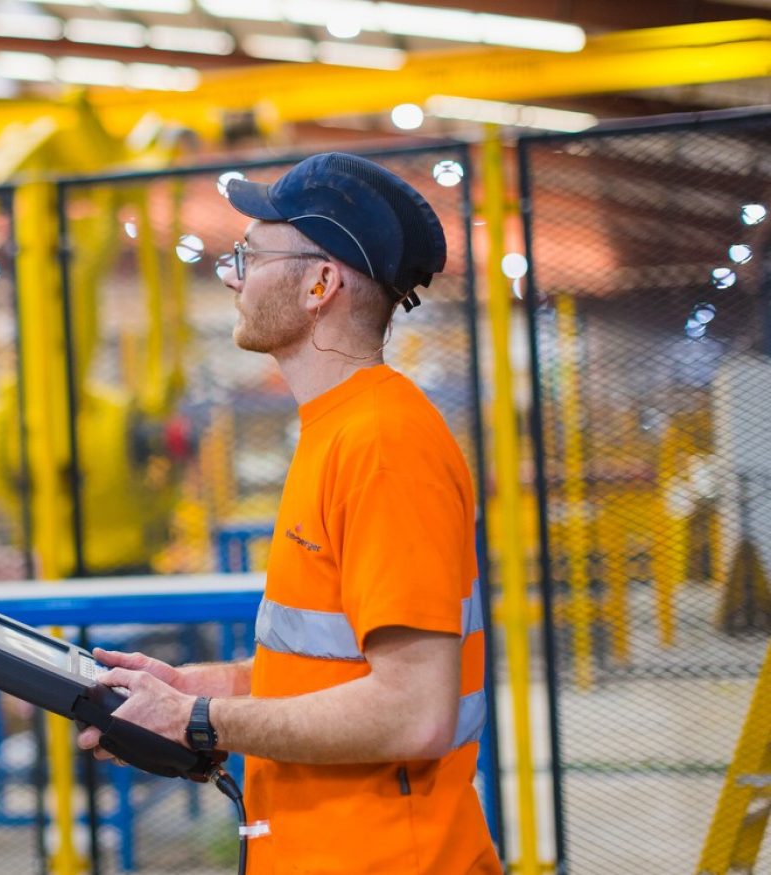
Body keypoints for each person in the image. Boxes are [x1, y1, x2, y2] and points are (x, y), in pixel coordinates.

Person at [76, 152, 502, 874]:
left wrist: (198, 722)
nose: (234, 274)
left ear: (320, 283)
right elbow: (330, 674)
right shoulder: (339, 428)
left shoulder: (382, 445)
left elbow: (414, 711)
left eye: (250, 254)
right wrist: (197, 688)